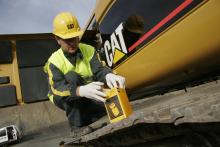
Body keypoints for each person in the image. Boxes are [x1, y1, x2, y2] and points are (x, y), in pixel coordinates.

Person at [44, 12, 125, 129]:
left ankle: (88, 115)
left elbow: (99, 69)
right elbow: (57, 89)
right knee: (72, 76)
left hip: (88, 91)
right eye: (67, 40)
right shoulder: (54, 61)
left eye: (74, 38)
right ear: (57, 39)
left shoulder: (89, 50)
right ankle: (77, 127)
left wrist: (109, 75)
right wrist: (79, 91)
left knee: (104, 110)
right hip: (64, 96)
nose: (72, 43)